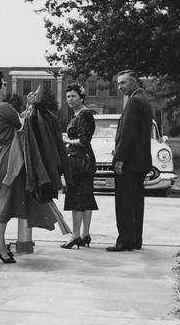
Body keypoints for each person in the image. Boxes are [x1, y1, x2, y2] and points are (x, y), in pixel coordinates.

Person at [0, 69, 38, 264]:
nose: (5, 87)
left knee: (1, 197)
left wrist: (27, 107)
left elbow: (14, 121)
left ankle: (0, 244)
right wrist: (31, 107)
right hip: (9, 155)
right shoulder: (4, 107)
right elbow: (23, 125)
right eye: (3, 84)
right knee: (4, 200)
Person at [107, 70, 152, 252]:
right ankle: (134, 240)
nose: (120, 87)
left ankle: (125, 241)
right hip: (139, 162)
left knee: (125, 203)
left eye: (123, 83)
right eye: (118, 84)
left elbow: (128, 134)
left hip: (130, 163)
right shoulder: (143, 100)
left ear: (134, 83)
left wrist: (119, 159)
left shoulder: (134, 101)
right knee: (136, 202)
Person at [60, 84, 98, 249]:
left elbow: (83, 141)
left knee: (77, 197)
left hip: (80, 160)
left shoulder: (84, 114)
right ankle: (85, 234)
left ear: (82, 97)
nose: (70, 99)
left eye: (73, 96)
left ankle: (75, 235)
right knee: (85, 197)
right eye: (68, 96)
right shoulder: (78, 115)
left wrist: (65, 141)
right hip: (81, 160)